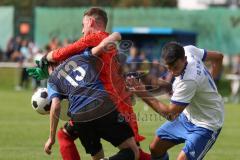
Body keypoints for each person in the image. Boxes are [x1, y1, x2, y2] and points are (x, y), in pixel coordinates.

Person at [28, 7, 149, 160]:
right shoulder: (84, 56)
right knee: (133, 152)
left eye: (83, 25)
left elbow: (65, 51)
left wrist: (45, 58)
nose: (82, 31)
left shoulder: (93, 39)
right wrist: (116, 35)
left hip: (89, 111)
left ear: (91, 21)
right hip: (107, 104)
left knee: (134, 154)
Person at [44, 33, 140, 160]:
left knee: (96, 154)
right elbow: (103, 45)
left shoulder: (52, 80)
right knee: (132, 151)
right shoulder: (80, 57)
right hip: (102, 106)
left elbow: (55, 106)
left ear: (50, 66)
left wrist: (51, 137)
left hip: (79, 118)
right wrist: (116, 36)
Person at [127, 42, 224, 160]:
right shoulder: (188, 50)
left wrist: (142, 93)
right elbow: (219, 57)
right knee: (155, 148)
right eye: (169, 68)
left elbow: (171, 114)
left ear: (185, 59)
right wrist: (209, 86)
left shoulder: (188, 80)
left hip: (207, 124)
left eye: (176, 67)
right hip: (187, 117)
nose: (173, 72)